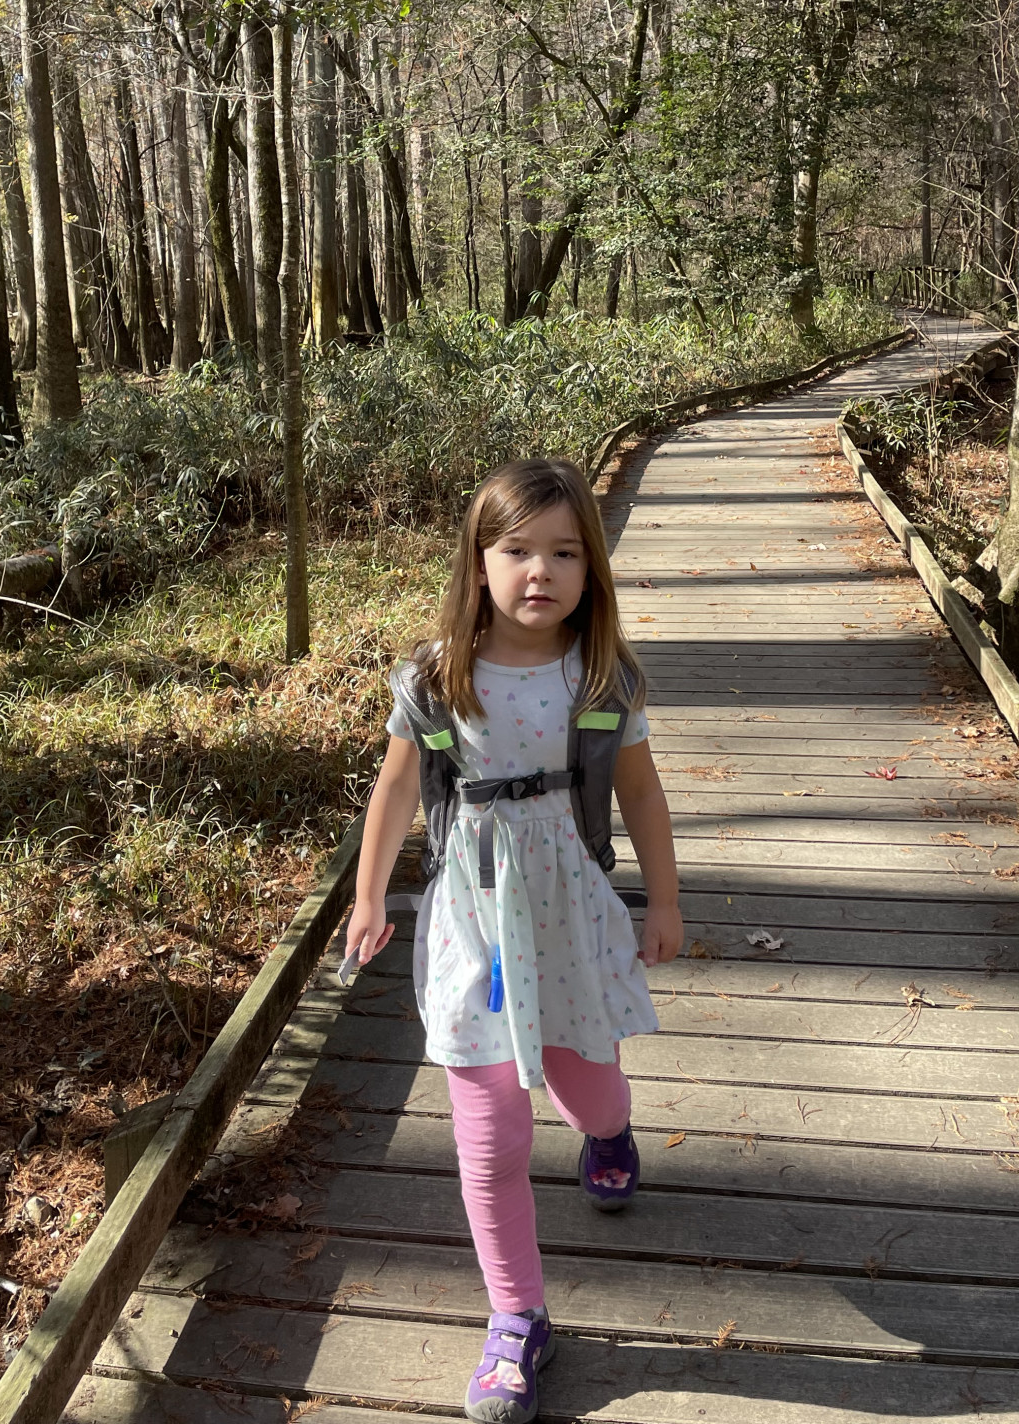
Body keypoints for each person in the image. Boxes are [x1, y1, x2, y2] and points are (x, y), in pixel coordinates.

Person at [345, 457, 683, 1424]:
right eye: (518, 551)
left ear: (592, 568)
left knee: (587, 1085)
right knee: (490, 1133)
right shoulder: (434, 678)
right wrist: (368, 898)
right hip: (473, 923)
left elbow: (641, 792)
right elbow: (396, 790)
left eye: (566, 553)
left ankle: (609, 1130)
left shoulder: (602, 675)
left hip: (569, 913)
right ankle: (516, 1317)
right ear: (479, 561)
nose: (542, 571)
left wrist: (664, 900)